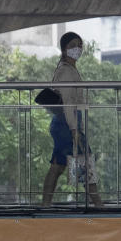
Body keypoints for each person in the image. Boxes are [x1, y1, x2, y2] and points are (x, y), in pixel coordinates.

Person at [42, 31, 103, 207]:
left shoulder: (68, 69)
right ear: (63, 49)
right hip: (67, 124)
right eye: (72, 45)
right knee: (86, 159)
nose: (77, 49)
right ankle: (97, 203)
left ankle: (46, 204)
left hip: (64, 123)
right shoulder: (66, 72)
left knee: (58, 165)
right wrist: (74, 129)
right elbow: (68, 103)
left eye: (79, 45)